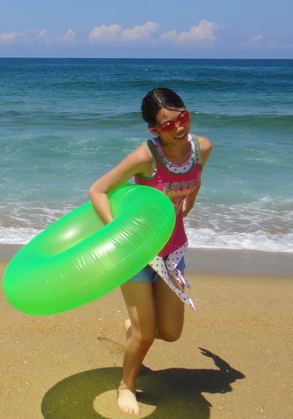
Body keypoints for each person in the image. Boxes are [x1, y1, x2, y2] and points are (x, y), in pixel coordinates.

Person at [88, 88, 212, 415]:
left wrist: (189, 202)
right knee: (145, 336)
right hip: (138, 251)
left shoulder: (202, 148)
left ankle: (134, 326)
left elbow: (195, 179)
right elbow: (98, 190)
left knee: (170, 333)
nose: (180, 128)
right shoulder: (147, 155)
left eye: (182, 117)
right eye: (168, 124)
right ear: (154, 130)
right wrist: (117, 231)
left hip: (172, 250)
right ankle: (126, 384)